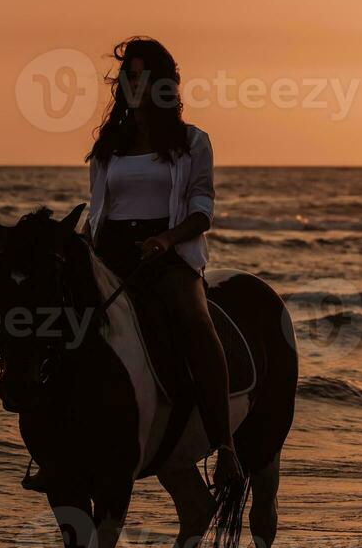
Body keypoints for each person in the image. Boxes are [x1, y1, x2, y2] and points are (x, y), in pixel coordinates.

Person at [23, 36, 242, 494]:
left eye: (142, 74)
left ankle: (225, 448)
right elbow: (98, 209)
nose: (133, 82)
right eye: (128, 75)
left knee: (195, 323)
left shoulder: (191, 142)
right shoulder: (110, 146)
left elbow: (203, 210)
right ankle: (52, 448)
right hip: (112, 252)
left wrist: (166, 239)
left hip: (169, 255)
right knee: (63, 323)